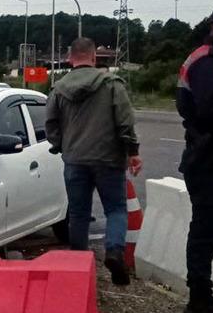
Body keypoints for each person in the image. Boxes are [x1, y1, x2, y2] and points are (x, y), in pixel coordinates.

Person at [46, 37, 142, 286]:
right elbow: (125, 122)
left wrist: (60, 146)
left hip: (74, 159)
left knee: (78, 214)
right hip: (108, 158)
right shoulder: (111, 84)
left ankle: (78, 268)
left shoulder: (58, 88)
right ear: (94, 57)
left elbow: (51, 125)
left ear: (70, 58)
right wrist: (132, 151)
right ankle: (114, 252)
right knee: (116, 209)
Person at [176, 2, 213, 313]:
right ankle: (198, 306)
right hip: (208, 158)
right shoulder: (209, 61)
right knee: (206, 233)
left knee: (211, 230)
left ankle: (204, 300)